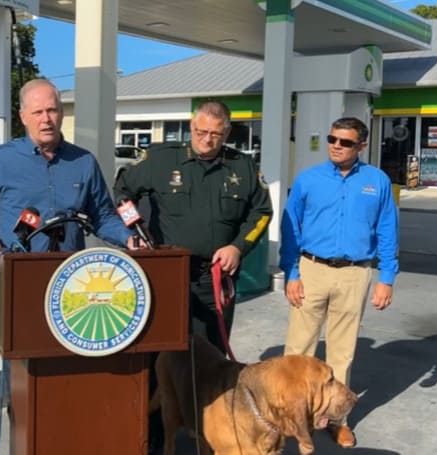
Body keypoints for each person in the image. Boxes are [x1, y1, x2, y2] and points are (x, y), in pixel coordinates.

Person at [114, 100, 272, 452]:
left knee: (211, 361)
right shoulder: (160, 159)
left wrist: (237, 247)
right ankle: (154, 435)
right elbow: (122, 191)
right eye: (201, 132)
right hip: (165, 277)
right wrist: (134, 230)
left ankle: (206, 433)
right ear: (191, 126)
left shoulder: (242, 167)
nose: (207, 140)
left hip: (212, 279)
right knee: (159, 355)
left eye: (216, 134)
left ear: (227, 133)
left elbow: (261, 212)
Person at [279, 116, 399, 448]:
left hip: (355, 273)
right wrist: (291, 272)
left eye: (345, 142)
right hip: (311, 269)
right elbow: (291, 230)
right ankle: (292, 416)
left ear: (361, 145)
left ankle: (335, 420)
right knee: (298, 350)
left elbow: (388, 231)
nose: (336, 145)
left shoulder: (378, 182)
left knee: (341, 353)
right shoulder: (307, 180)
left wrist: (386, 277)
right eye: (333, 138)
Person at [0, 78, 136, 276]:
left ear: (61, 113)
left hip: (70, 278)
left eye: (52, 110)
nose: (46, 119)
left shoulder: (84, 162)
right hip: (15, 274)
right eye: (37, 112)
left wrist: (128, 238)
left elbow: (102, 216)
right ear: (23, 117)